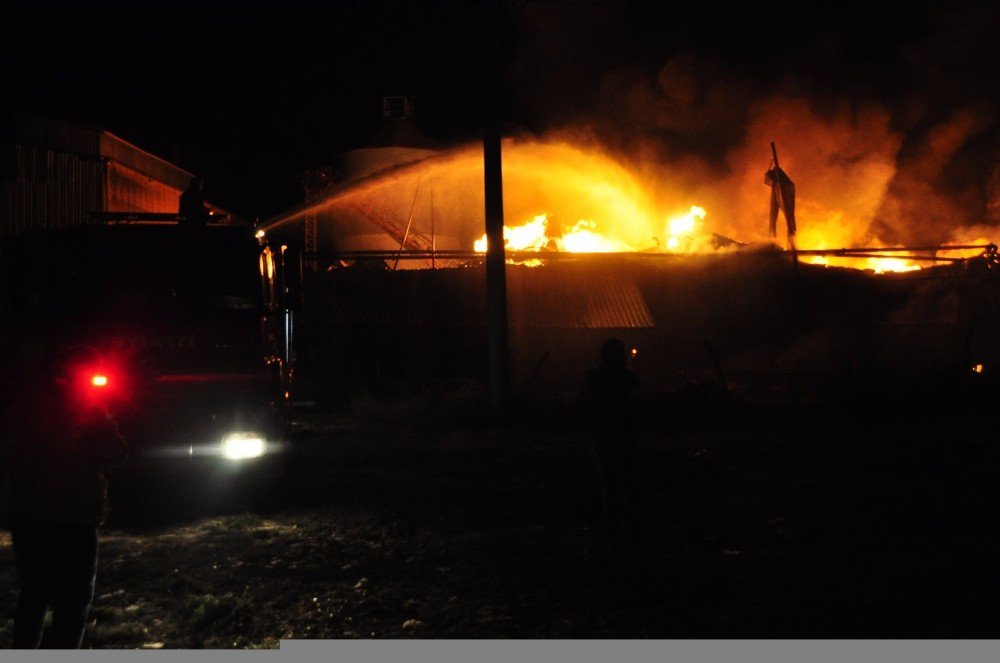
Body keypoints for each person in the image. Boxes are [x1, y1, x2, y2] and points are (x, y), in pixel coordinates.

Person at [0, 344, 128, 649]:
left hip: (28, 513)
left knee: (34, 595)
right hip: (73, 515)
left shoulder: (25, 403)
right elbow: (116, 450)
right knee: (72, 601)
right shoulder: (86, 409)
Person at [584, 337, 641, 541]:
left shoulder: (593, 377)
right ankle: (630, 525)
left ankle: (613, 525)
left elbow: (586, 404)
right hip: (622, 434)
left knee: (608, 481)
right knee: (627, 480)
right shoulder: (627, 378)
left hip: (602, 435)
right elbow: (638, 394)